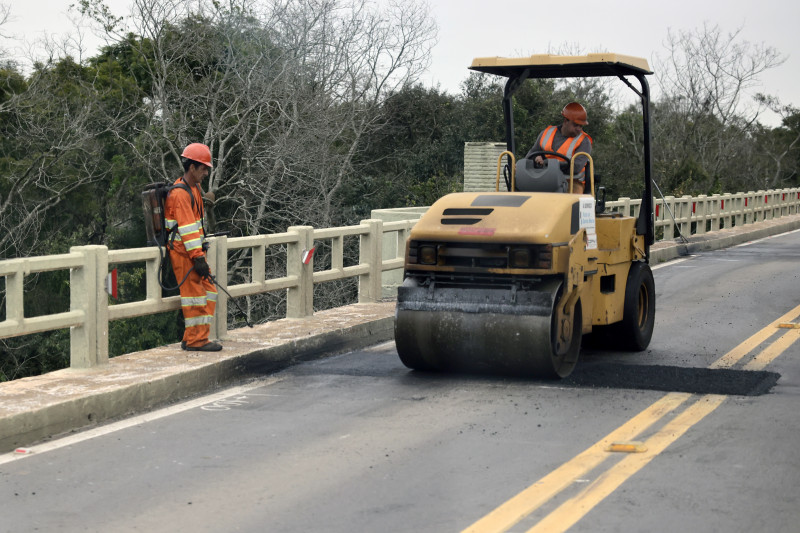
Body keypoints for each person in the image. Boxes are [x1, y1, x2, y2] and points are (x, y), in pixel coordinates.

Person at [165, 143, 221, 352]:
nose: (206, 172)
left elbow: (194, 228)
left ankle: (193, 337)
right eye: (203, 168)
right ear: (192, 168)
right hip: (184, 254)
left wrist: (199, 254)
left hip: (193, 252)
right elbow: (188, 230)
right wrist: (198, 258)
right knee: (196, 295)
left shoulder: (194, 189)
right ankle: (196, 341)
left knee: (208, 291)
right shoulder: (180, 194)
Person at [525, 102, 593, 194]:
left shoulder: (584, 141)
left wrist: (547, 163)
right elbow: (530, 155)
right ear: (565, 121)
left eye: (581, 126)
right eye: (575, 125)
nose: (579, 129)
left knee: (567, 203)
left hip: (572, 183)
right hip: (545, 179)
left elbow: (576, 167)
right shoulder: (546, 133)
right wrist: (536, 158)